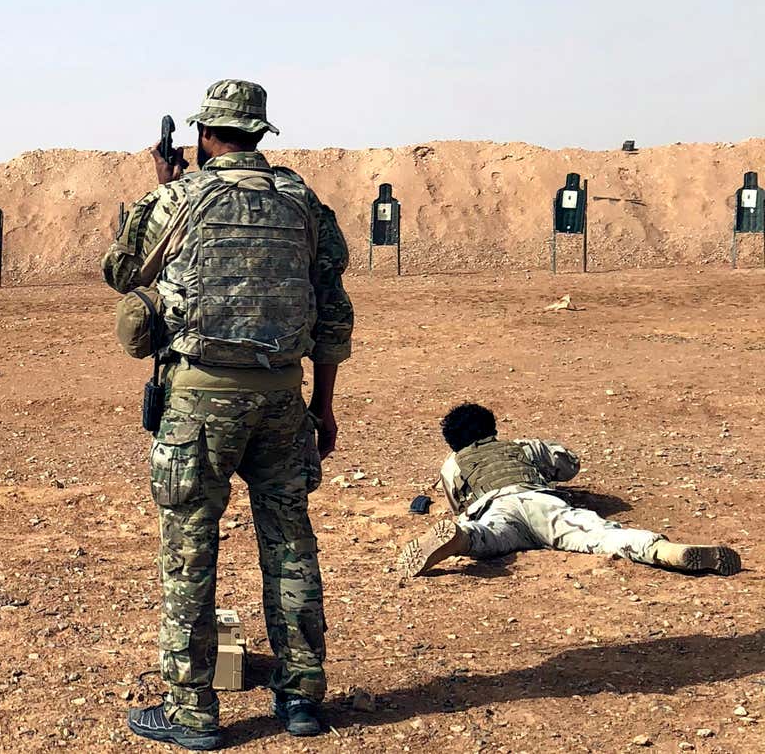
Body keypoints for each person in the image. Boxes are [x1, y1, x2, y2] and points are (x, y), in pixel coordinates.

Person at [104, 79, 354, 749]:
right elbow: (332, 313)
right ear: (259, 134)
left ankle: (193, 712)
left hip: (200, 404)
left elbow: (121, 271)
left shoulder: (179, 198)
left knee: (191, 549)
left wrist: (157, 188)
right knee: (290, 545)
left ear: (207, 137)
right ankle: (302, 698)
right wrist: (322, 407)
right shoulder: (303, 203)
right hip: (283, 398)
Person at [398, 402, 742, 579]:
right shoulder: (522, 447)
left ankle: (459, 540)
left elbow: (458, 502)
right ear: (492, 428)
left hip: (494, 509)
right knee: (598, 535)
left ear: (452, 442)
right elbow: (568, 463)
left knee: (485, 537)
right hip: (539, 500)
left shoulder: (452, 464)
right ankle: (664, 551)